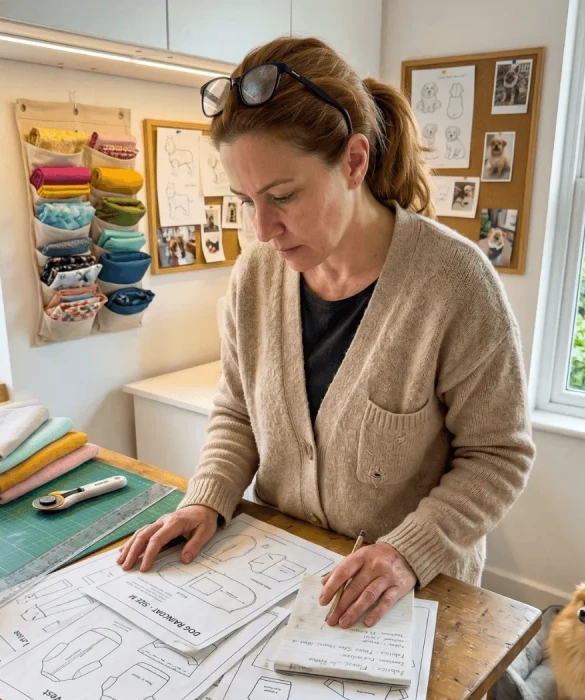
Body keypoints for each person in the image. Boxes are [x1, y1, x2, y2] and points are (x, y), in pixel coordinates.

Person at [119, 36, 535, 633]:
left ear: (355, 162)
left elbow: (498, 455)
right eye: (245, 201)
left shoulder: (455, 283)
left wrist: (406, 552)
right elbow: (238, 410)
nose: (263, 229)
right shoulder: (256, 275)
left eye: (283, 196)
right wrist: (208, 496)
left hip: (411, 598)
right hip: (281, 577)